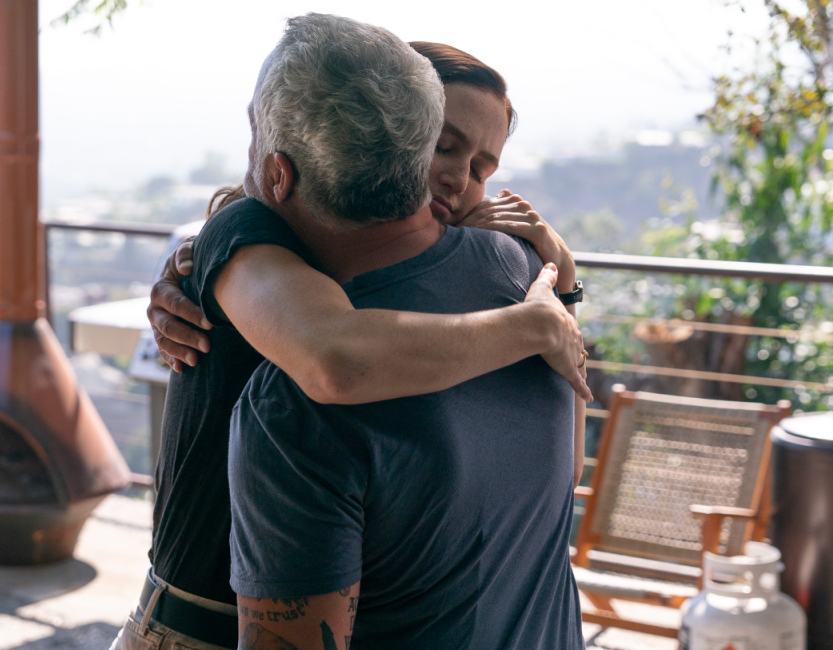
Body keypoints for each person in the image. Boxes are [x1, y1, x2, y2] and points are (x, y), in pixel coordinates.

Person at [109, 15, 585, 650]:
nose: (460, 180)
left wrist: (562, 284)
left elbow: (555, 463)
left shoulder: (498, 264)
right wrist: (536, 320)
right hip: (199, 621)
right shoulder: (251, 227)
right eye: (444, 146)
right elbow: (334, 357)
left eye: (482, 166)